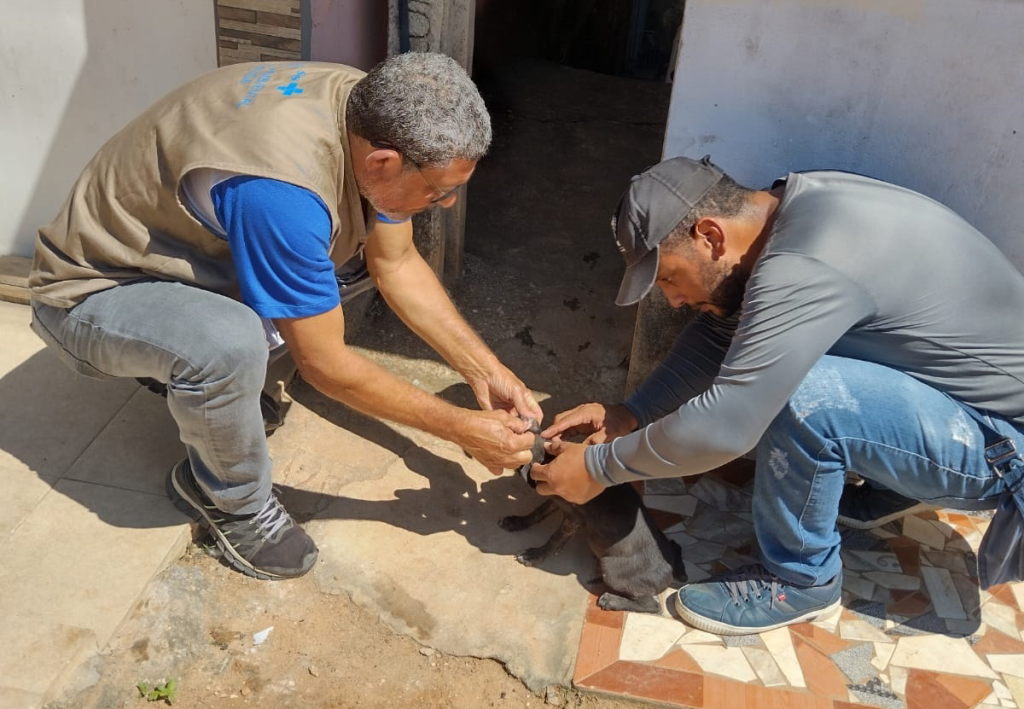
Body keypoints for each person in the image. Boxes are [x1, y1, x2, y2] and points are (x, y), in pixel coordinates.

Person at [28, 53, 542, 581]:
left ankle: (216, 399)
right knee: (229, 346)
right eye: (437, 191)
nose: (449, 203)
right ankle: (227, 499)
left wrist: (484, 369)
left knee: (327, 280)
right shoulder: (283, 195)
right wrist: (460, 427)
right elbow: (324, 364)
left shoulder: (372, 113)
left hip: (186, 256)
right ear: (384, 163)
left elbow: (396, 262)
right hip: (92, 292)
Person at [533, 155, 1024, 635]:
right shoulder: (801, 204)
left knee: (801, 395)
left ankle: (801, 580)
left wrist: (598, 468)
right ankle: (886, 489)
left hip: (1002, 447)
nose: (673, 300)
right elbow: (723, 332)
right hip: (966, 401)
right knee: (787, 366)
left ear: (710, 235)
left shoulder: (803, 262)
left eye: (667, 277)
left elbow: (726, 426)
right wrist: (631, 414)